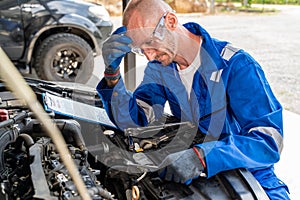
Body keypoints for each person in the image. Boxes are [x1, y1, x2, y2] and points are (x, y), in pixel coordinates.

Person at [96, 0, 290, 199]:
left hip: (252, 176)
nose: (148, 56)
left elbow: (268, 141)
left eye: (150, 43)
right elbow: (136, 121)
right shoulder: (160, 68)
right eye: (140, 49)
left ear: (170, 21)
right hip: (195, 173)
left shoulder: (235, 65)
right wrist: (112, 76)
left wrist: (203, 157)